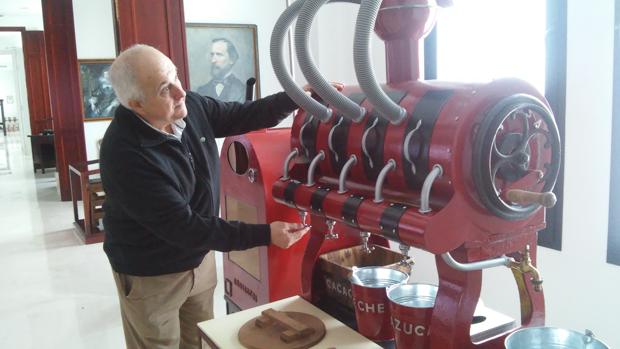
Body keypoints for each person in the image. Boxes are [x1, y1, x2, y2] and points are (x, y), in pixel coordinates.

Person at [100, 44, 310, 349]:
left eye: (175, 77)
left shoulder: (191, 108)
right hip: (151, 273)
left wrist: (297, 96)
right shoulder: (125, 154)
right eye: (164, 89)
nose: (179, 92)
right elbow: (186, 227)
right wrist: (266, 234)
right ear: (136, 104)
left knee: (198, 340)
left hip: (200, 258)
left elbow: (245, 114)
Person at [196, 38, 247, 102]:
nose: (213, 60)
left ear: (232, 59)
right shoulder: (201, 91)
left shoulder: (242, 89)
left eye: (219, 54)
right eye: (212, 54)